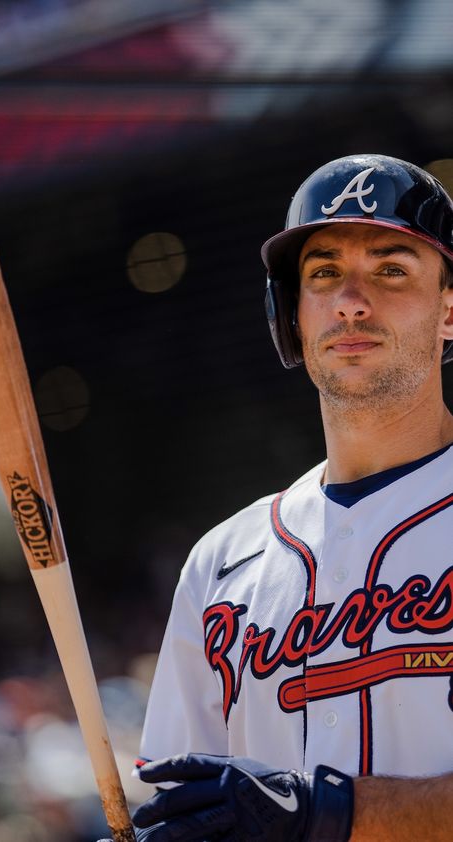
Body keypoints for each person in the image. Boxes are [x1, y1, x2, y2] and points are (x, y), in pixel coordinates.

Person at [104, 154, 453, 841]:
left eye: (391, 270)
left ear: (450, 311)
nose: (352, 300)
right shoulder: (221, 563)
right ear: (289, 315)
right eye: (324, 273)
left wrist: (332, 812)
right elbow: (182, 806)